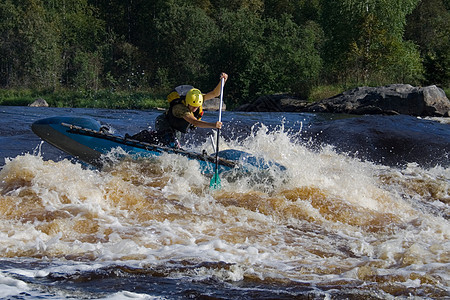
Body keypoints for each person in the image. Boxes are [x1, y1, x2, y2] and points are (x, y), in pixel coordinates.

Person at [127, 72, 228, 148]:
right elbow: (194, 122)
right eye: (193, 106)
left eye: (197, 106)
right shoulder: (180, 108)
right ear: (187, 102)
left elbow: (215, 93)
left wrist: (222, 81)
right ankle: (138, 138)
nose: (195, 109)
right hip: (164, 122)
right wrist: (213, 125)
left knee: (173, 146)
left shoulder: (198, 99)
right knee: (170, 143)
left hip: (176, 128)